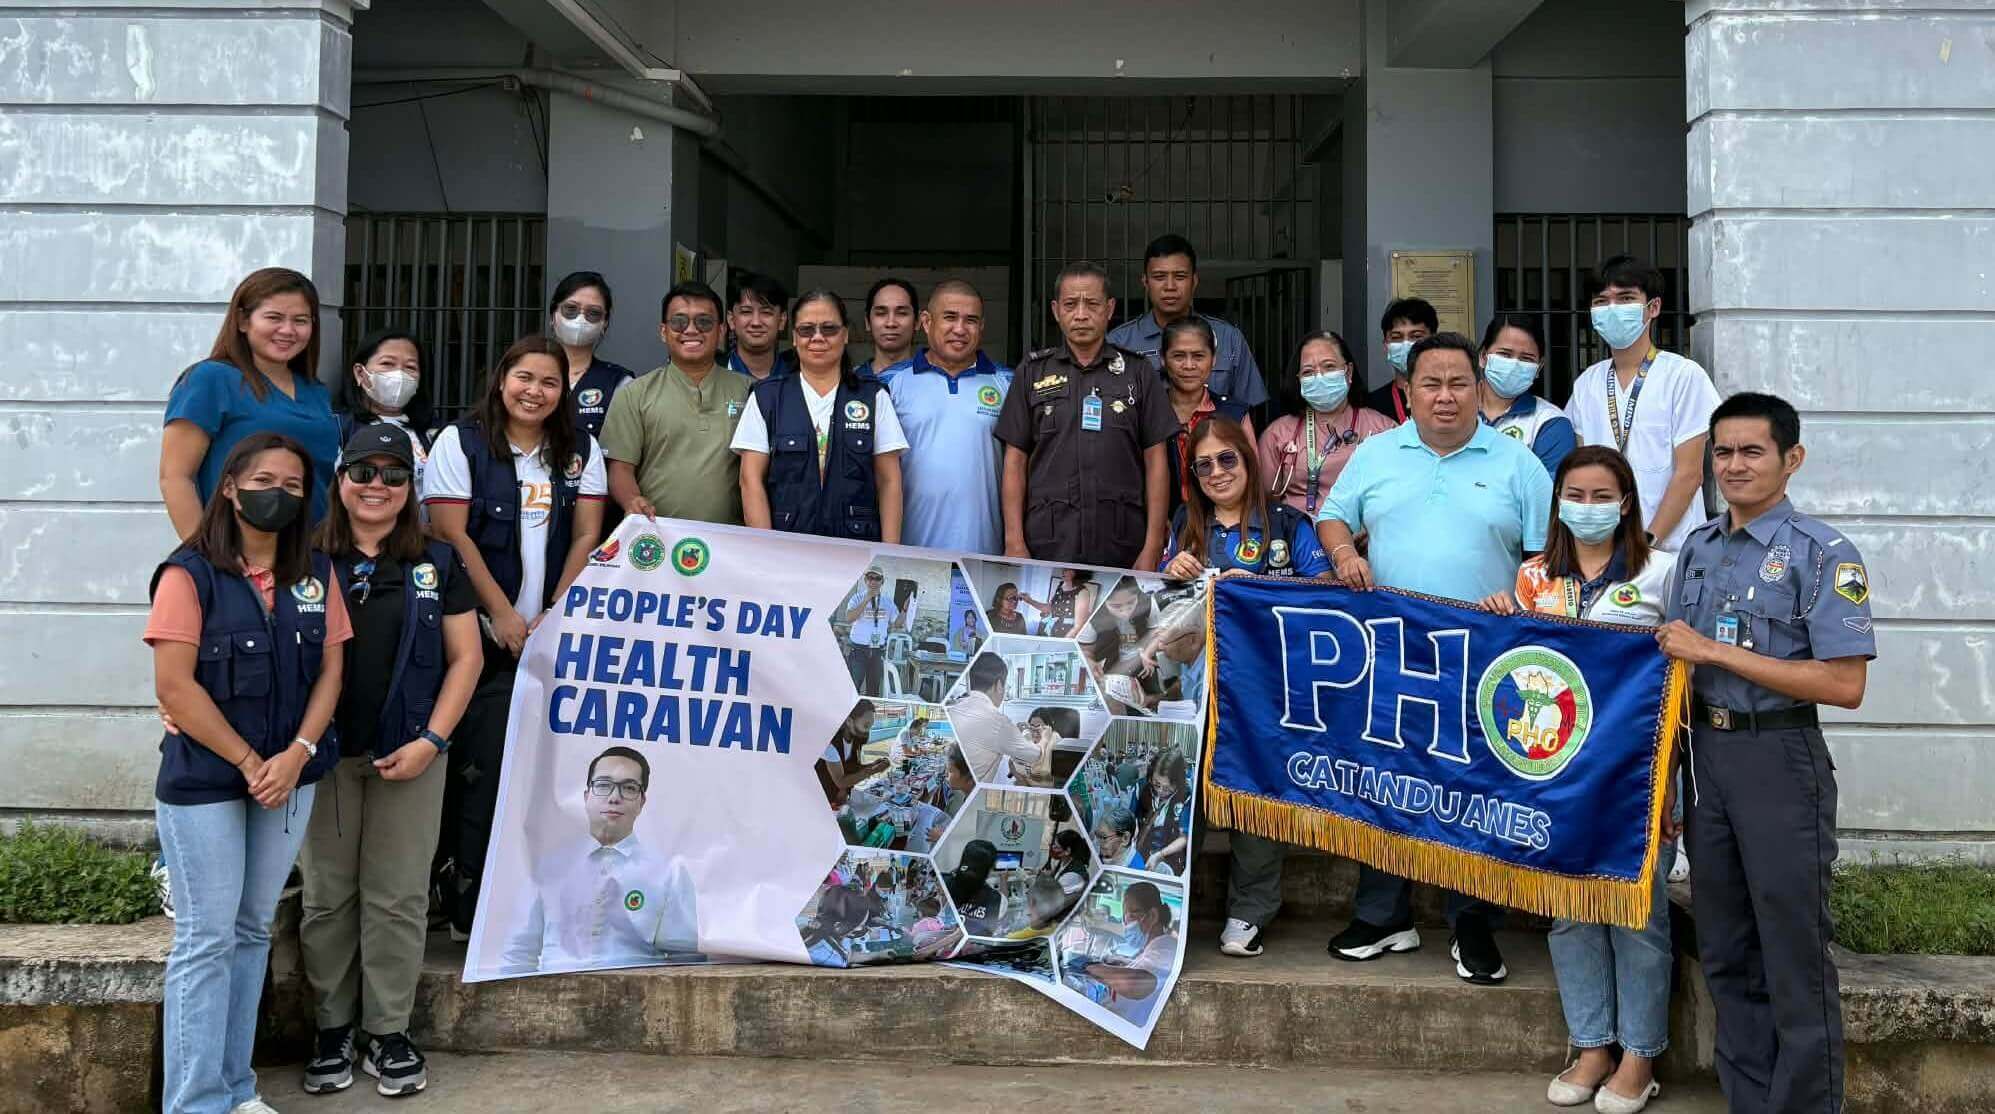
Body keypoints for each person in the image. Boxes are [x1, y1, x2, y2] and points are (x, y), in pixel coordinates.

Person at [1656, 392, 1873, 1114]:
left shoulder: (1821, 553)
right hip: (1706, 762)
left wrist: (1715, 651)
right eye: (1722, 452)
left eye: (1752, 451)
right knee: (1723, 949)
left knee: (1792, 955)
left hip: (1778, 760)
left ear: (1791, 459)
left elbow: (1844, 685)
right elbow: (1675, 665)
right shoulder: (1698, 547)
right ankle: (1750, 1101)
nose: (1734, 465)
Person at [1317, 332, 1554, 985]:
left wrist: (1523, 592)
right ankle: (1382, 914)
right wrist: (1344, 555)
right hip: (1389, 655)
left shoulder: (1517, 464)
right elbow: (1332, 517)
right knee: (1382, 781)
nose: (1444, 397)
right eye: (1430, 384)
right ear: (1409, 391)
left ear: (1478, 386)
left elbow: (1544, 557)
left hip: (1481, 659)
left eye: (1457, 383)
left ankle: (1470, 921)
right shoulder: (1376, 453)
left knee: (1469, 790)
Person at [146, 432, 348, 1114]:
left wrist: (295, 755)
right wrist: (248, 760)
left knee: (252, 930)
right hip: (207, 783)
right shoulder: (188, 573)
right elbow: (175, 686)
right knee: (207, 935)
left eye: (293, 486)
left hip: (289, 778)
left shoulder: (316, 573)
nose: (279, 494)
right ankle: (195, 1100)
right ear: (229, 486)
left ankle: (236, 1089)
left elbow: (331, 672)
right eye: (265, 480)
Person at [1476, 446, 1677, 1111]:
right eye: (1574, 495)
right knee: (1569, 915)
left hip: (1636, 782)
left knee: (1637, 916)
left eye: (1600, 496)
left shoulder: (1661, 575)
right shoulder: (1534, 577)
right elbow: (1518, 671)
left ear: (1625, 504)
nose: (1585, 508)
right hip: (1554, 778)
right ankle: (1592, 1046)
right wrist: (1498, 624)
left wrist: (1675, 775)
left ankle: (1639, 1056)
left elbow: (1683, 679)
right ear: (1556, 502)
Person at [299, 424, 482, 1099]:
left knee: (398, 896)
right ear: (339, 480)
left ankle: (387, 1031)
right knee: (326, 897)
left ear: (412, 487)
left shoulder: (436, 561)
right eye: (363, 471)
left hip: (412, 749)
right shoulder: (304, 558)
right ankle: (333, 1028)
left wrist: (432, 740)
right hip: (323, 758)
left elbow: (466, 659)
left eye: (393, 474)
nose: (376, 485)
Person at [423, 335, 606, 936]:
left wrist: (553, 612)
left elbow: (586, 536)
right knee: (481, 771)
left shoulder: (580, 451)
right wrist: (501, 614)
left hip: (550, 639)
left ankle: (537, 901)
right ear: (502, 379)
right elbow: (451, 534)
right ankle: (467, 900)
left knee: (548, 776)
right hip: (479, 638)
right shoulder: (461, 442)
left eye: (550, 383)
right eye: (525, 378)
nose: (536, 392)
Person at [1155, 416, 1328, 958]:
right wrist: (1172, 567)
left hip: (1265, 697)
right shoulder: (1186, 521)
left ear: (1248, 460)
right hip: (1196, 690)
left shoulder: (1288, 525)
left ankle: (1250, 912)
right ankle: (1167, 909)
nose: (1216, 472)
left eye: (1226, 458)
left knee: (1252, 800)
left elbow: (1326, 594)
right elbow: (1158, 603)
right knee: (1187, 802)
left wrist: (1259, 589)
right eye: (1203, 464)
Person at [997, 262, 1177, 569]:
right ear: (1056, 310)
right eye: (1070, 304)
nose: (1081, 314)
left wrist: (1152, 546)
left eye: (1092, 304)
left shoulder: (1137, 372)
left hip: (1122, 541)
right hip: (1049, 539)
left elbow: (1156, 462)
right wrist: (1014, 542)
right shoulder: (1032, 373)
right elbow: (1015, 462)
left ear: (1109, 309)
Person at [162, 267, 341, 537]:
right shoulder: (210, 379)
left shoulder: (316, 392)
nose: (288, 330)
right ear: (243, 321)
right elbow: (175, 477)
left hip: (309, 554)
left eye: (301, 320)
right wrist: (205, 558)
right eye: (274, 317)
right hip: (235, 554)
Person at [1565, 254, 1721, 552]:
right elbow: (1581, 465)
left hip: (1669, 550)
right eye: (1601, 301)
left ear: (1653, 307)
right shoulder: (1587, 383)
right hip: (1605, 548)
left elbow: (1689, 474)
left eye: (1625, 298)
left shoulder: (1683, 375)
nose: (1612, 309)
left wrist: (1648, 542)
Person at [501, 747, 701, 973]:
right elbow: (518, 953)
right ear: (587, 796)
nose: (614, 797)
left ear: (642, 801)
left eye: (629, 788)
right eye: (604, 785)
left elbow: (686, 960)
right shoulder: (550, 866)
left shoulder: (668, 872)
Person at [734, 290, 908, 541]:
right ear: (794, 337)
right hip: (788, 549)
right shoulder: (767, 397)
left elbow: (889, 482)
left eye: (829, 329)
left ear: (845, 334)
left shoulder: (873, 397)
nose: (817, 338)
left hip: (856, 550)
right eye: (806, 330)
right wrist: (767, 551)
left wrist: (890, 554)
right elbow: (750, 481)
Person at [602, 280, 753, 526]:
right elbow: (620, 468)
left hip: (732, 542)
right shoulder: (635, 394)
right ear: (664, 331)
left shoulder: (750, 391)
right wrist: (632, 500)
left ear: (722, 331)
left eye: (704, 322)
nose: (691, 330)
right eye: (679, 322)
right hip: (659, 538)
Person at [880, 280, 1014, 553]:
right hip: (908, 551)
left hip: (984, 553)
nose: (960, 329)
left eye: (971, 320)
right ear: (927, 322)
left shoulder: (1008, 383)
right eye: (950, 317)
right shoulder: (889, 384)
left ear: (982, 327)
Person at [1106, 234, 1269, 408]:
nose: (1170, 287)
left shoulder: (1228, 338)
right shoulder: (1119, 343)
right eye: (1159, 277)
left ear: (1194, 281)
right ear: (1145, 282)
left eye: (1180, 276)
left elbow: (1251, 408)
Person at [1259, 331, 1396, 519]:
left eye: (1329, 367)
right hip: (1299, 540)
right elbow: (1265, 501)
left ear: (1348, 371)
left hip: (1364, 538)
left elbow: (1401, 493)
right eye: (1308, 372)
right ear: (1299, 379)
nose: (1319, 377)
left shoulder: (1383, 428)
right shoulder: (1278, 434)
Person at [1160, 317, 1256, 518]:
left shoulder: (1233, 413)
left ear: (1213, 359)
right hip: (1162, 529)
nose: (1189, 365)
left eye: (1198, 356)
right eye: (1178, 356)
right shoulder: (1148, 413)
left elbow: (1253, 479)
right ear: (1162, 359)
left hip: (1225, 526)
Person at [332, 329, 439, 481]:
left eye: (410, 367)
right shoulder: (337, 428)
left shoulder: (435, 432)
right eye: (387, 363)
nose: (399, 374)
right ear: (360, 373)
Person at [1476, 313, 1574, 479]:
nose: (1514, 364)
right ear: (1483, 357)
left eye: (1526, 358)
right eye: (1505, 354)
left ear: (1539, 367)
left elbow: (1545, 494)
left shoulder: (1549, 423)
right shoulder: (1452, 408)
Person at [547, 270, 635, 439]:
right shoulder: (526, 372)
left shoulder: (620, 384)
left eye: (593, 313)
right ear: (553, 315)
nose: (580, 319)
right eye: (570, 309)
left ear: (605, 323)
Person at [1082, 881, 1178, 1025]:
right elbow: (1149, 968)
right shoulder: (1153, 947)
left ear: (1152, 916)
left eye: (1131, 915)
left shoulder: (1166, 948)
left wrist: (1089, 967)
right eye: (1124, 916)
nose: (1126, 924)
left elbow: (1135, 984)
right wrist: (1124, 964)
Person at [948, 653, 1053, 784]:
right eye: (1005, 686)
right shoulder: (999, 723)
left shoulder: (954, 707)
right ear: (998, 685)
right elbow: (1036, 755)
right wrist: (1045, 738)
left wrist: (1015, 733)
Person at [1362, 297, 1436, 423]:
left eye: (1416, 336)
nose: (1406, 344)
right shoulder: (1371, 405)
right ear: (1386, 345)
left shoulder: (1450, 396)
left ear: (1434, 341)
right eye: (1397, 337)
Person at [724, 272, 799, 381]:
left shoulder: (800, 377)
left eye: (766, 312)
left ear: (782, 320)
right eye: (746, 312)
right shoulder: (711, 374)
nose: (756, 322)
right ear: (731, 319)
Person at [840, 568, 899, 695]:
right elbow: (849, 618)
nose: (874, 581)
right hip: (858, 651)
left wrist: (906, 611)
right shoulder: (857, 598)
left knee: (873, 690)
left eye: (877, 578)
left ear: (882, 581)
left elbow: (897, 624)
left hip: (877, 651)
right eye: (871, 578)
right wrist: (866, 599)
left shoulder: (888, 602)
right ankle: (851, 714)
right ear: (866, 580)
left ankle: (868, 713)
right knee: (852, 688)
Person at [1133, 751, 1192, 877]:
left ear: (1178, 783)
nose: (1160, 791)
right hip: (1140, 851)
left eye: (1167, 788)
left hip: (1169, 857)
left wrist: (1160, 855)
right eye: (1157, 784)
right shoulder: (1143, 786)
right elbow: (1131, 817)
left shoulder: (1185, 795)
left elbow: (1184, 837)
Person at [856, 277, 919, 376]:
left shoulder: (934, 382)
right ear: (867, 322)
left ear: (917, 321)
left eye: (902, 313)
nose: (891, 323)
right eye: (881, 313)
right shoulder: (850, 382)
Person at [946, 839, 1006, 937]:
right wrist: (1003, 879)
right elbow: (1003, 906)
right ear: (991, 866)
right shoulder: (995, 898)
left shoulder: (947, 883)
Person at [1018, 569, 1097, 638]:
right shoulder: (1061, 585)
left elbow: (1078, 626)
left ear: (1079, 572)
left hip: (1063, 634)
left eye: (1069, 569)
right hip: (1045, 630)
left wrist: (1061, 645)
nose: (1064, 571)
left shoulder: (1083, 593)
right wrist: (1029, 600)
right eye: (1064, 568)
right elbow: (1048, 608)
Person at [1016, 706, 1080, 790]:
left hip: (1047, 790)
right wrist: (1023, 782)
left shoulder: (1055, 739)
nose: (1035, 733)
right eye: (1032, 726)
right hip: (1025, 786)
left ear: (1048, 727)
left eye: (1039, 727)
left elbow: (1062, 775)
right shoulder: (1027, 737)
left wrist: (1041, 777)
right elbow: (1012, 764)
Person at [1092, 804, 1143, 869]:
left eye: (1104, 837)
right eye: (1097, 835)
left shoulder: (1136, 871)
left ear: (1125, 838)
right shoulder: (1105, 854)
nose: (1097, 843)